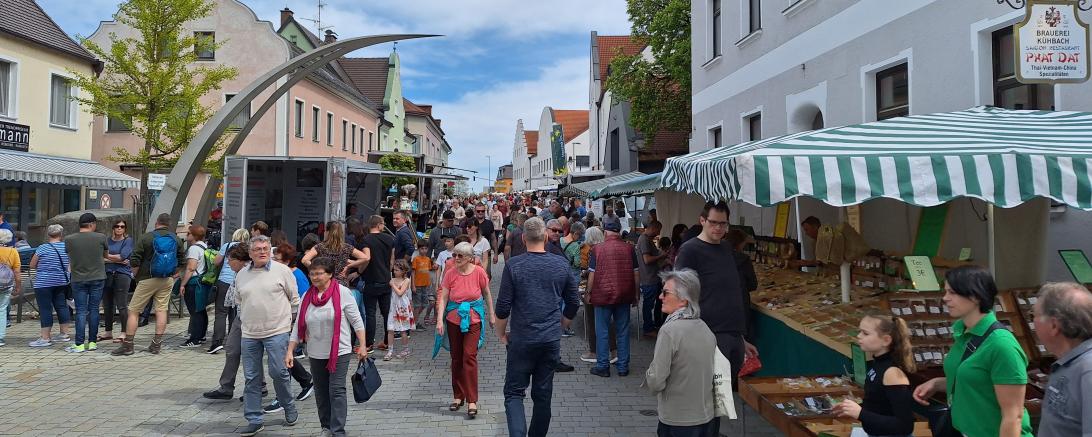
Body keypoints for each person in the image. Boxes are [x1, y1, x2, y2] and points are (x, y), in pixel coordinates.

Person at [911, 266, 1033, 437]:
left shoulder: (1002, 345)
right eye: (945, 292)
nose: (945, 298)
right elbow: (978, 382)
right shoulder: (963, 333)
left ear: (975, 295)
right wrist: (938, 383)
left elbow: (1013, 416)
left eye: (952, 292)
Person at [496, 217, 581, 436]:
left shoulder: (514, 265)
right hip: (549, 339)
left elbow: (503, 306)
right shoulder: (561, 264)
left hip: (522, 339)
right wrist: (562, 324)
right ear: (544, 237)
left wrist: (501, 334)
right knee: (543, 395)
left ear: (523, 239)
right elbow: (573, 301)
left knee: (514, 393)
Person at [674, 201, 758, 392]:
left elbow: (728, 293)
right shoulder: (690, 250)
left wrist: (740, 339)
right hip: (706, 336)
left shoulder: (726, 248)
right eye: (713, 222)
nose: (719, 228)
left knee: (720, 401)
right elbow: (679, 295)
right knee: (706, 401)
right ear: (702, 220)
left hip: (732, 336)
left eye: (723, 223)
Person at [285, 256, 366, 437]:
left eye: (319, 274)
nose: (315, 277)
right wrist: (290, 350)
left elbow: (357, 321)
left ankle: (337, 431)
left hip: (340, 351)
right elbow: (298, 327)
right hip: (315, 352)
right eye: (312, 274)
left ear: (329, 275)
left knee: (336, 389)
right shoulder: (307, 296)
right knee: (321, 392)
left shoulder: (343, 293)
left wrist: (362, 345)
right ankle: (326, 427)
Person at [235, 235, 301, 436]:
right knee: (251, 377)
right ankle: (254, 418)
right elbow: (239, 302)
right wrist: (245, 321)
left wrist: (290, 327)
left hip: (277, 331)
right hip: (249, 333)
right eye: (258, 249)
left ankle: (288, 406)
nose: (263, 252)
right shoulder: (241, 275)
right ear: (250, 253)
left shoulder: (282, 271)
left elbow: (294, 300)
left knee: (278, 372)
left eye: (266, 248)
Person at [645, 269, 718, 436]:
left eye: (665, 292)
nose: (660, 297)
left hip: (678, 418)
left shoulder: (669, 331)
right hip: (705, 416)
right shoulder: (704, 327)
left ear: (683, 300)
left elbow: (656, 380)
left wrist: (650, 377)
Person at [436, 241, 495, 419]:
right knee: (456, 358)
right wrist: (439, 320)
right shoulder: (450, 273)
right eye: (454, 255)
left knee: (469, 356)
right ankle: (458, 396)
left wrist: (492, 314)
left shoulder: (478, 272)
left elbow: (486, 293)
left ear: (470, 258)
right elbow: (444, 297)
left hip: (473, 319)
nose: (455, 258)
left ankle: (471, 399)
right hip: (453, 319)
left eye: (460, 255)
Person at [831, 313, 916, 437]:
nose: (859, 336)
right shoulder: (877, 363)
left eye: (865, 333)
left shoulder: (892, 373)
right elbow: (880, 406)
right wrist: (853, 409)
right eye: (859, 331)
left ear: (886, 340)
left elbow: (905, 425)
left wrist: (860, 413)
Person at [113, 213, 186, 356]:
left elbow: (135, 259)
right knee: (161, 310)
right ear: (169, 224)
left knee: (134, 310)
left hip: (147, 279)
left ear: (156, 223)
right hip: (166, 279)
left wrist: (135, 274)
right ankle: (156, 345)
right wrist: (174, 274)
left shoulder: (147, 237)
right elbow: (182, 260)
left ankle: (128, 345)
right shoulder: (176, 239)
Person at [1032, 282, 1092, 437]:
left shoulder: (1088, 370)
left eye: (1035, 316)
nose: (1033, 322)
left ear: (1053, 325)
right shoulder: (1069, 363)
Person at [203, 243, 256, 401]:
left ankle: (259, 388)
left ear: (240, 260)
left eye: (230, 259)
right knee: (232, 350)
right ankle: (226, 387)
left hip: (252, 320)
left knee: (252, 354)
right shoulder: (239, 273)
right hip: (240, 319)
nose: (228, 263)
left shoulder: (250, 273)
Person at [587, 220, 639, 377]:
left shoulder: (597, 249)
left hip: (602, 295)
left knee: (602, 330)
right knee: (622, 331)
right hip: (624, 294)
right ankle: (623, 367)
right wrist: (636, 294)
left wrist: (588, 292)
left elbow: (592, 274)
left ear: (605, 232)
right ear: (619, 231)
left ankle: (603, 366)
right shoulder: (629, 248)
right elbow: (636, 273)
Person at [64, 213, 109, 353]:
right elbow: (105, 256)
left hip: (78, 278)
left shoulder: (69, 239)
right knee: (94, 309)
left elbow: (69, 255)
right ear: (91, 224)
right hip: (98, 277)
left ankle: (79, 344)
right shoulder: (101, 237)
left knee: (81, 311)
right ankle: (93, 342)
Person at [28, 225, 72, 347]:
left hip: (43, 282)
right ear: (61, 234)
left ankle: (45, 338)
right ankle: (64, 334)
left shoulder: (42, 248)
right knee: (62, 306)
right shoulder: (66, 247)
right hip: (61, 281)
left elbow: (32, 265)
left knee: (45, 308)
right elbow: (70, 264)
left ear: (48, 234)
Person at [209, 228, 250, 354]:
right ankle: (234, 342)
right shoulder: (247, 249)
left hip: (224, 281)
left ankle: (217, 342)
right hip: (240, 281)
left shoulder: (227, 246)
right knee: (235, 313)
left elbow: (216, 262)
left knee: (221, 313)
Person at [359, 215, 395, 350]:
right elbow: (392, 260)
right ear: (379, 225)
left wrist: (359, 271)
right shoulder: (389, 239)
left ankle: (369, 344)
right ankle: (386, 342)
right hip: (385, 280)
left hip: (371, 280)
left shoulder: (366, 240)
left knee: (370, 313)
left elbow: (365, 259)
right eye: (383, 224)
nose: (384, 226)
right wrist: (388, 271)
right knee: (386, 313)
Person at [301, 221, 368, 288]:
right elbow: (365, 258)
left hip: (325, 283)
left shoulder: (320, 247)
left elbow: (304, 260)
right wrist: (349, 266)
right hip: (341, 285)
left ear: (327, 232)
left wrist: (319, 271)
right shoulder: (346, 247)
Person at [101, 219, 133, 343]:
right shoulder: (107, 241)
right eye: (117, 226)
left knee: (122, 305)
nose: (119, 228)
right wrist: (117, 260)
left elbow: (123, 256)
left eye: (122, 226)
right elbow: (101, 257)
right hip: (107, 274)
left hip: (122, 275)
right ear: (113, 228)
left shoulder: (128, 241)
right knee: (108, 305)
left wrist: (108, 258)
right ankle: (108, 331)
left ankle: (124, 332)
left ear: (125, 228)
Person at [181, 224, 211, 348]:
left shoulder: (193, 249)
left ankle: (195, 339)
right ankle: (202, 335)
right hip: (203, 282)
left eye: (188, 233)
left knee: (194, 312)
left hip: (194, 283)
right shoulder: (204, 246)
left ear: (193, 235)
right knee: (201, 310)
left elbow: (191, 267)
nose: (187, 235)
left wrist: (183, 284)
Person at [637, 221, 669, 338]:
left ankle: (652, 325)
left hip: (652, 277)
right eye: (658, 230)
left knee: (653, 303)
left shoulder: (647, 239)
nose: (659, 233)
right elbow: (647, 260)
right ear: (654, 228)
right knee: (648, 305)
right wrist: (662, 256)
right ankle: (648, 329)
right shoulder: (645, 240)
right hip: (649, 278)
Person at [725, 229, 758, 339]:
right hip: (740, 303)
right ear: (740, 243)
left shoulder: (718, 257)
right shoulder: (744, 259)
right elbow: (753, 284)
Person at [385, 260, 414, 360]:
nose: (394, 272)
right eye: (394, 270)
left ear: (403, 271)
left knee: (403, 330)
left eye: (397, 270)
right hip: (393, 308)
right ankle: (390, 351)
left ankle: (405, 350)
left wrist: (392, 285)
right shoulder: (392, 279)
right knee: (390, 329)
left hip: (402, 308)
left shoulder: (406, 280)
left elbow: (400, 293)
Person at [0, 229, 20, 346]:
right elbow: (17, 272)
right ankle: (0, 337)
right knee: (2, 309)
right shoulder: (13, 252)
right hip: (6, 284)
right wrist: (18, 286)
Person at [412, 240, 436, 331]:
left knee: (424, 304)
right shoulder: (416, 259)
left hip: (425, 286)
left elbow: (428, 272)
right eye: (422, 248)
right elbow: (413, 273)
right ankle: (414, 323)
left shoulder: (428, 259)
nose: (424, 250)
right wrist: (413, 285)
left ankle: (414, 319)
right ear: (418, 249)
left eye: (426, 248)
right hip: (417, 285)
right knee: (417, 305)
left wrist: (429, 282)